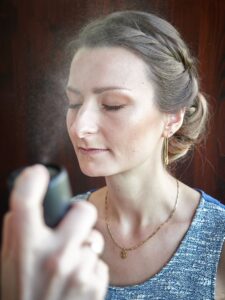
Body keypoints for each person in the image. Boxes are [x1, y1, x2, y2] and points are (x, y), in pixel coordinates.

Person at [1, 10, 225, 300]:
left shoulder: (218, 241)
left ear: (172, 118)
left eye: (112, 105)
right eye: (74, 102)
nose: (80, 127)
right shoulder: (53, 231)